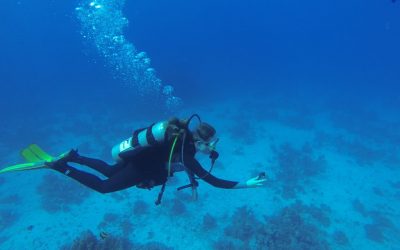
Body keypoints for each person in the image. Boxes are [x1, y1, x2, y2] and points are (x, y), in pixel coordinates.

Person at [1, 114, 267, 205]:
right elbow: (215, 181)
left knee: (107, 170)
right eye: (210, 144)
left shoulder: (180, 135)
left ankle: (76, 157)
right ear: (201, 141)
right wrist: (246, 184)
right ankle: (62, 167)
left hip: (137, 156)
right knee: (105, 188)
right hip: (142, 167)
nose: (212, 148)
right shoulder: (189, 155)